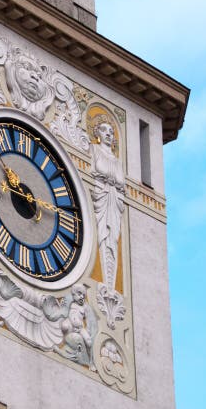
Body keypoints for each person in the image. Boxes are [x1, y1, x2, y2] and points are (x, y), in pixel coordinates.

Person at [90, 119, 125, 290]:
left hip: (114, 203)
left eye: (111, 131)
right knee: (102, 236)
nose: (109, 134)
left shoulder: (118, 162)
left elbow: (120, 183)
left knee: (112, 240)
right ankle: (107, 285)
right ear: (97, 133)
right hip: (101, 198)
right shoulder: (94, 150)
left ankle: (110, 287)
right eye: (104, 130)